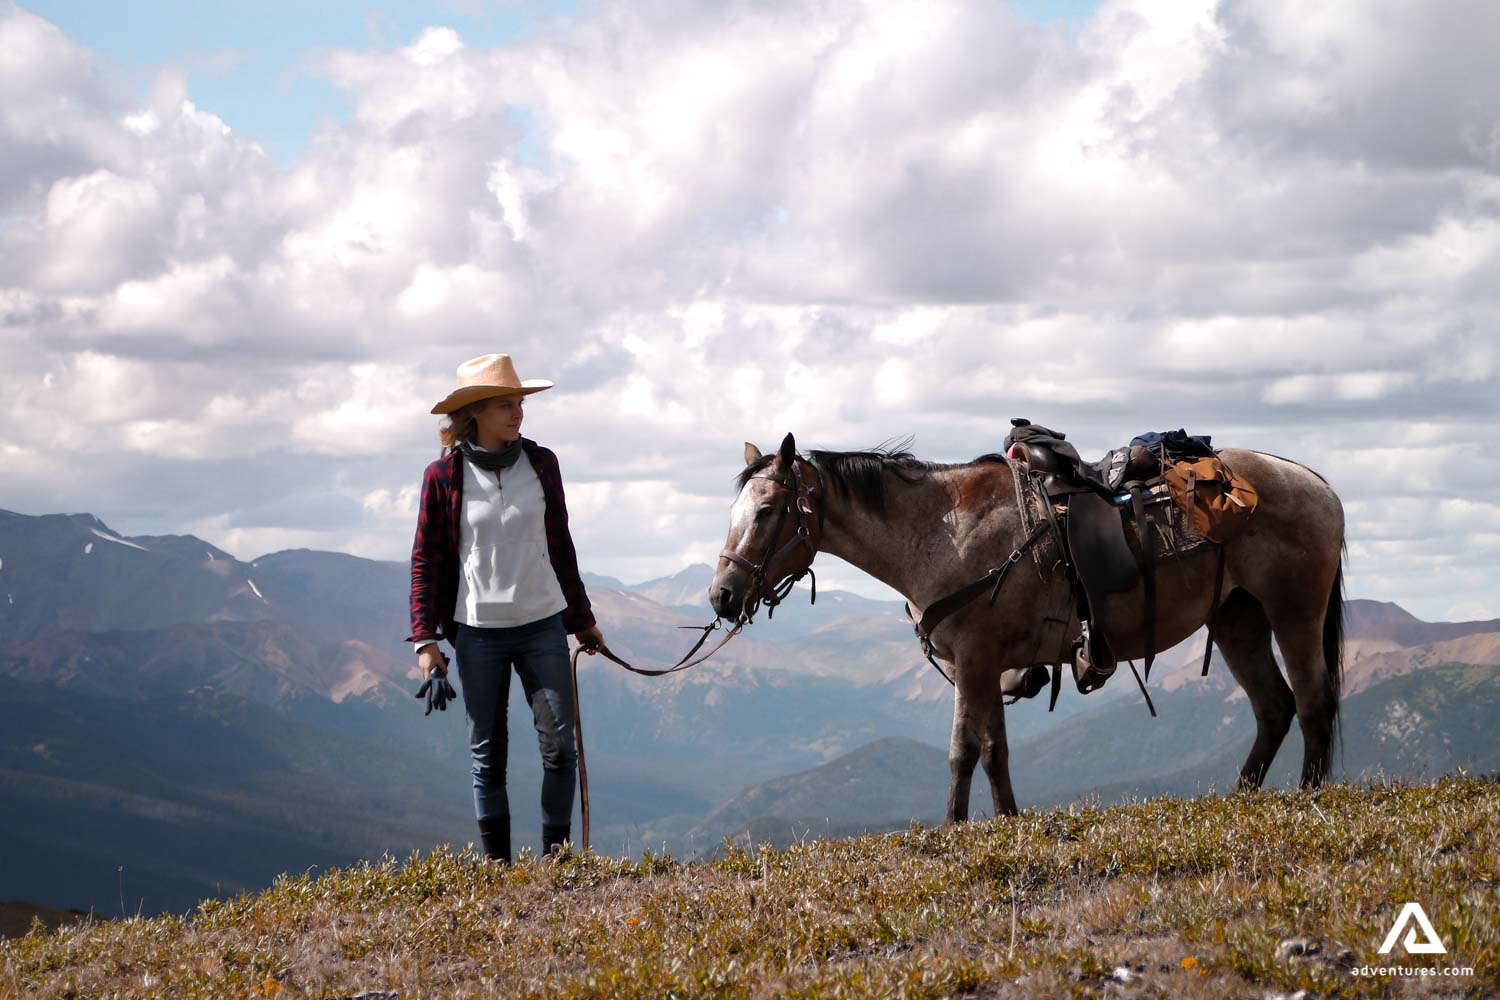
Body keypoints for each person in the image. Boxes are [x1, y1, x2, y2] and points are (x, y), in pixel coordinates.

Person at [407, 353, 605, 863]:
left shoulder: (542, 464)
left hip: (542, 624)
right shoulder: (443, 476)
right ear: (473, 412)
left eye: (519, 403)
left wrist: (581, 621)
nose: (518, 413)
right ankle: (498, 871)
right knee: (487, 759)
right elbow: (425, 559)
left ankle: (556, 866)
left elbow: (561, 545)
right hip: (477, 632)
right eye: (505, 405)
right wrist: (426, 640)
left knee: (561, 752)